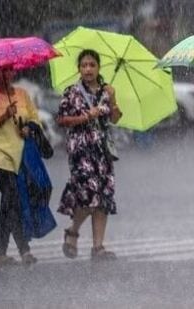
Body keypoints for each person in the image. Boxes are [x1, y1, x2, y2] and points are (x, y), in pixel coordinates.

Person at [57, 49, 122, 262]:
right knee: (88, 193)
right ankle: (73, 231)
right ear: (79, 68)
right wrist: (85, 116)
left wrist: (112, 100)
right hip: (80, 150)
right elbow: (62, 119)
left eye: (92, 65)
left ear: (98, 68)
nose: (88, 69)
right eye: (84, 65)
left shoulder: (106, 90)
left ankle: (98, 247)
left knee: (103, 197)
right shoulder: (72, 92)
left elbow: (115, 119)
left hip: (102, 151)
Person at [0, 65, 40, 267]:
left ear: (13, 72)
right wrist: (3, 116)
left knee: (9, 204)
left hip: (19, 156)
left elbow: (34, 119)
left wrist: (28, 129)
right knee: (12, 198)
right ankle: (24, 250)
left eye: (8, 70)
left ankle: (0, 253)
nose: (4, 74)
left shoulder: (22, 94)